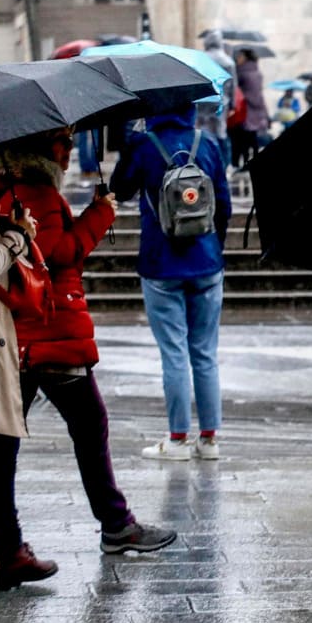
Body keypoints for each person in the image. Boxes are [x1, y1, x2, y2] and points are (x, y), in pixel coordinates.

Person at [0, 128, 177, 554]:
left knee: (3, 437)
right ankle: (116, 524)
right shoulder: (36, 191)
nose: (70, 149)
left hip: (26, 335)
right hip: (52, 332)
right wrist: (99, 215)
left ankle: (0, 533)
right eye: (63, 141)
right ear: (41, 148)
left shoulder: (13, 188)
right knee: (89, 426)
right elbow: (57, 254)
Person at [110, 106, 232, 459]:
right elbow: (222, 202)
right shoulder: (206, 143)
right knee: (205, 353)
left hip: (160, 263)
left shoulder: (144, 144)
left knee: (174, 354)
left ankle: (177, 439)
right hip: (207, 261)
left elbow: (119, 190)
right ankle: (209, 439)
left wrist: (128, 142)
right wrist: (214, 248)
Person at [0, 195, 57, 590]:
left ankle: (10, 550)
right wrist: (14, 239)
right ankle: (10, 551)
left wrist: (13, 227)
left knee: (0, 448)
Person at [198, 29, 237, 169]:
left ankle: (205, 162)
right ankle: (224, 165)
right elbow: (233, 85)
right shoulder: (228, 61)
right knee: (221, 132)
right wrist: (233, 104)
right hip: (222, 102)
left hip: (203, 101)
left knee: (202, 132)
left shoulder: (200, 59)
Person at [229, 48, 270, 169]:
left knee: (244, 138)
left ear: (245, 57)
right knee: (253, 137)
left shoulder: (241, 72)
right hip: (258, 106)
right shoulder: (258, 72)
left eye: (240, 56)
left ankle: (245, 162)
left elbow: (235, 87)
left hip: (246, 108)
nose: (238, 59)